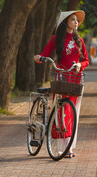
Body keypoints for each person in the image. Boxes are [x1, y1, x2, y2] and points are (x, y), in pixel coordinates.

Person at [34, 10, 89, 158]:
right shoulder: (56, 39)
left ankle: (69, 147)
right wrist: (39, 57)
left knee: (72, 113)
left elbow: (86, 60)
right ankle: (61, 147)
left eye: (77, 20)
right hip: (61, 77)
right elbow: (44, 54)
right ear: (65, 22)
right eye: (73, 19)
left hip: (75, 79)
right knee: (61, 111)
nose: (76, 22)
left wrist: (79, 65)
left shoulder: (79, 40)